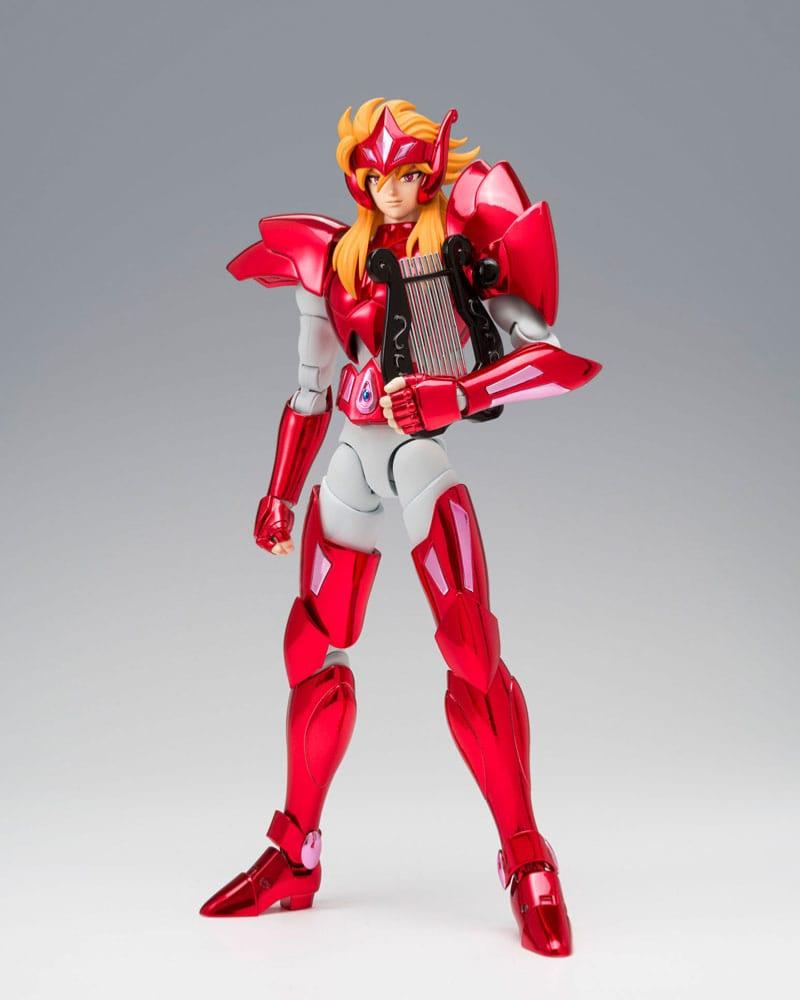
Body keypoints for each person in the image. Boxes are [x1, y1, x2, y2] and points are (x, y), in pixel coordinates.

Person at [200, 98, 601, 957]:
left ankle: (526, 854)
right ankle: (295, 851)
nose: (393, 189)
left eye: (410, 173)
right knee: (312, 650)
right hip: (352, 454)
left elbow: (557, 360)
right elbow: (310, 391)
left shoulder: (459, 251)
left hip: (417, 454)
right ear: (358, 178)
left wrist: (461, 392)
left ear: (431, 174)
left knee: (471, 647)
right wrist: (278, 492)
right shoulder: (332, 262)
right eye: (378, 174)